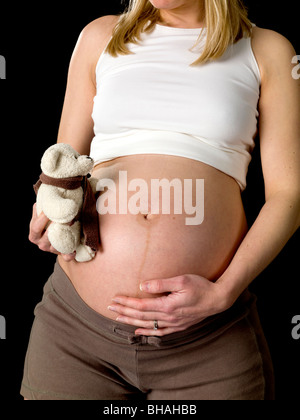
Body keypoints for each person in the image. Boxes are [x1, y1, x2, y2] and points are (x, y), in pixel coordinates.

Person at [22, 0, 299, 400]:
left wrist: (224, 293)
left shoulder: (267, 49)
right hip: (76, 333)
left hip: (207, 342)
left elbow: (287, 197)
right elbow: (63, 166)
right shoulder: (101, 36)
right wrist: (47, 213)